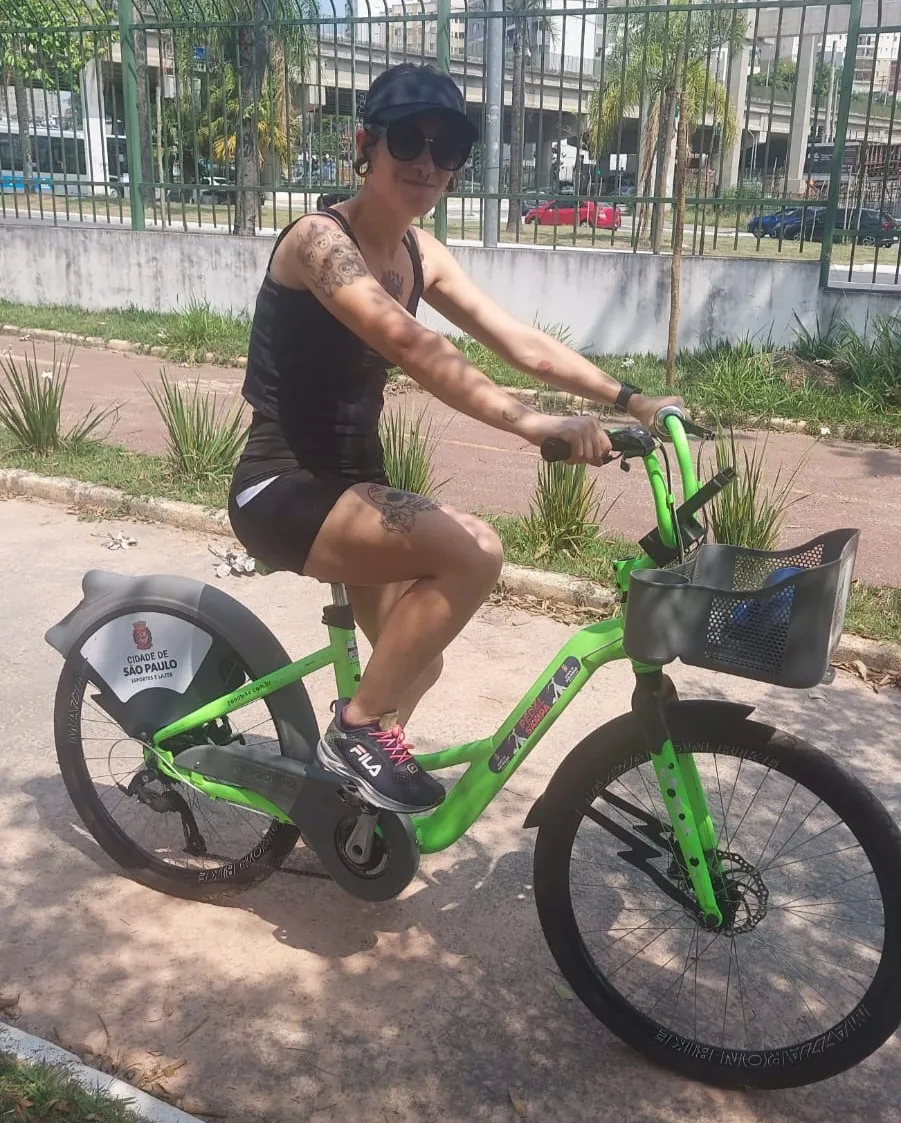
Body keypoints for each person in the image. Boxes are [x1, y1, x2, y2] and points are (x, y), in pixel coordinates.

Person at [228, 63, 684, 815]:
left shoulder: (420, 251)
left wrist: (632, 400)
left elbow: (519, 341)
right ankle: (357, 730)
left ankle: (350, 809)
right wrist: (535, 423)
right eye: (409, 138)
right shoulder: (319, 241)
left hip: (353, 487)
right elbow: (410, 345)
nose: (427, 163)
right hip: (283, 488)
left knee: (419, 665)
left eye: (449, 150)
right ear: (364, 144)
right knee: (473, 550)